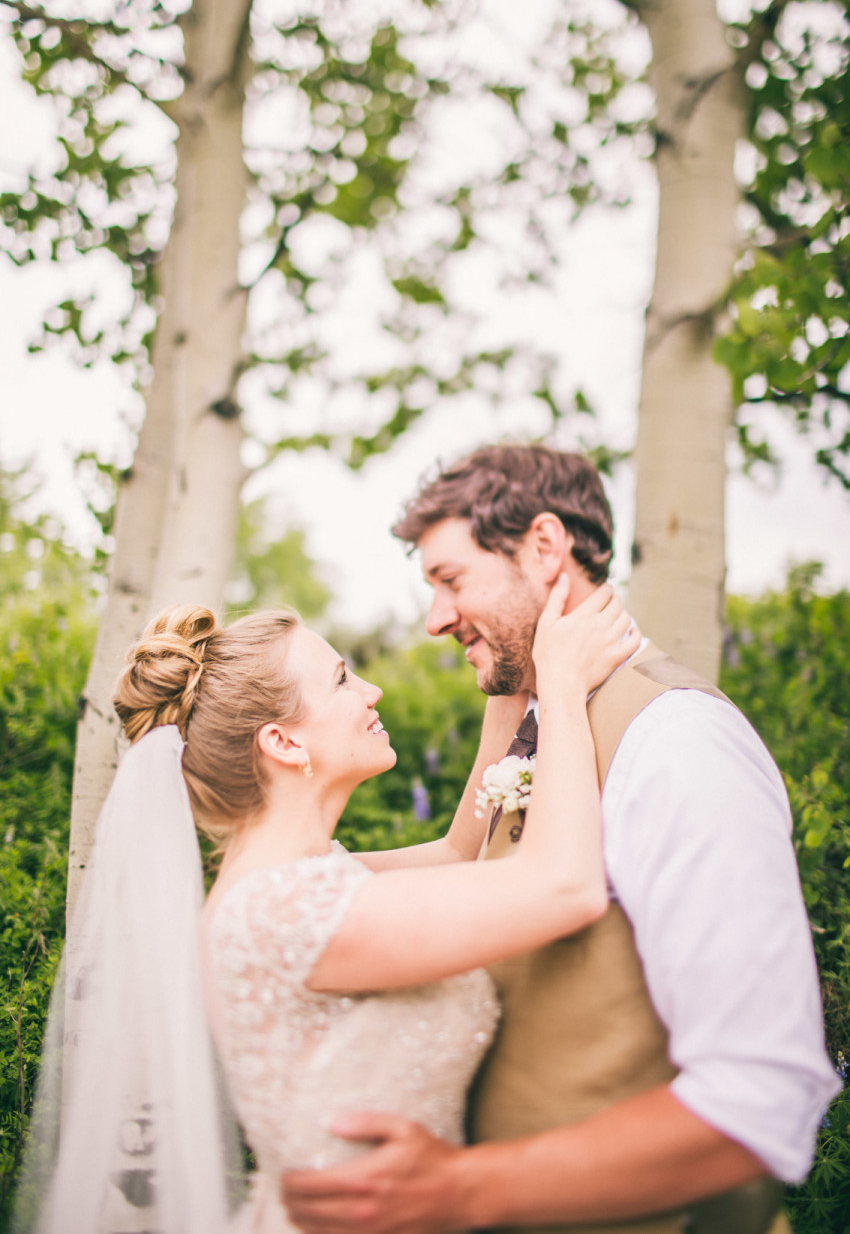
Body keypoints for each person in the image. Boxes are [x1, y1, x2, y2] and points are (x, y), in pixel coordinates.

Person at [283, 443, 841, 1234]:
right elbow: (459, 862)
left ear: (546, 548)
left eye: (450, 579)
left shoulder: (679, 741)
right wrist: (269, 876)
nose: (435, 617)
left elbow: (760, 1095)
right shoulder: (539, 718)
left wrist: (463, 1188)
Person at [13, 577, 638, 1234]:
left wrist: (513, 667)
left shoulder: (297, 881)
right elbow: (565, 885)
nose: (372, 692)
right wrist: (564, 687)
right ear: (283, 742)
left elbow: (459, 852)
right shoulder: (281, 913)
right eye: (342, 679)